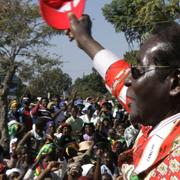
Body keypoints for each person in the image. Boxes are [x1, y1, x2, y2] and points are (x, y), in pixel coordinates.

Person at [66, 13, 180, 179]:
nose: (127, 80)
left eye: (137, 71)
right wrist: (84, 39)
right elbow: (115, 74)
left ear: (175, 84)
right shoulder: (157, 112)